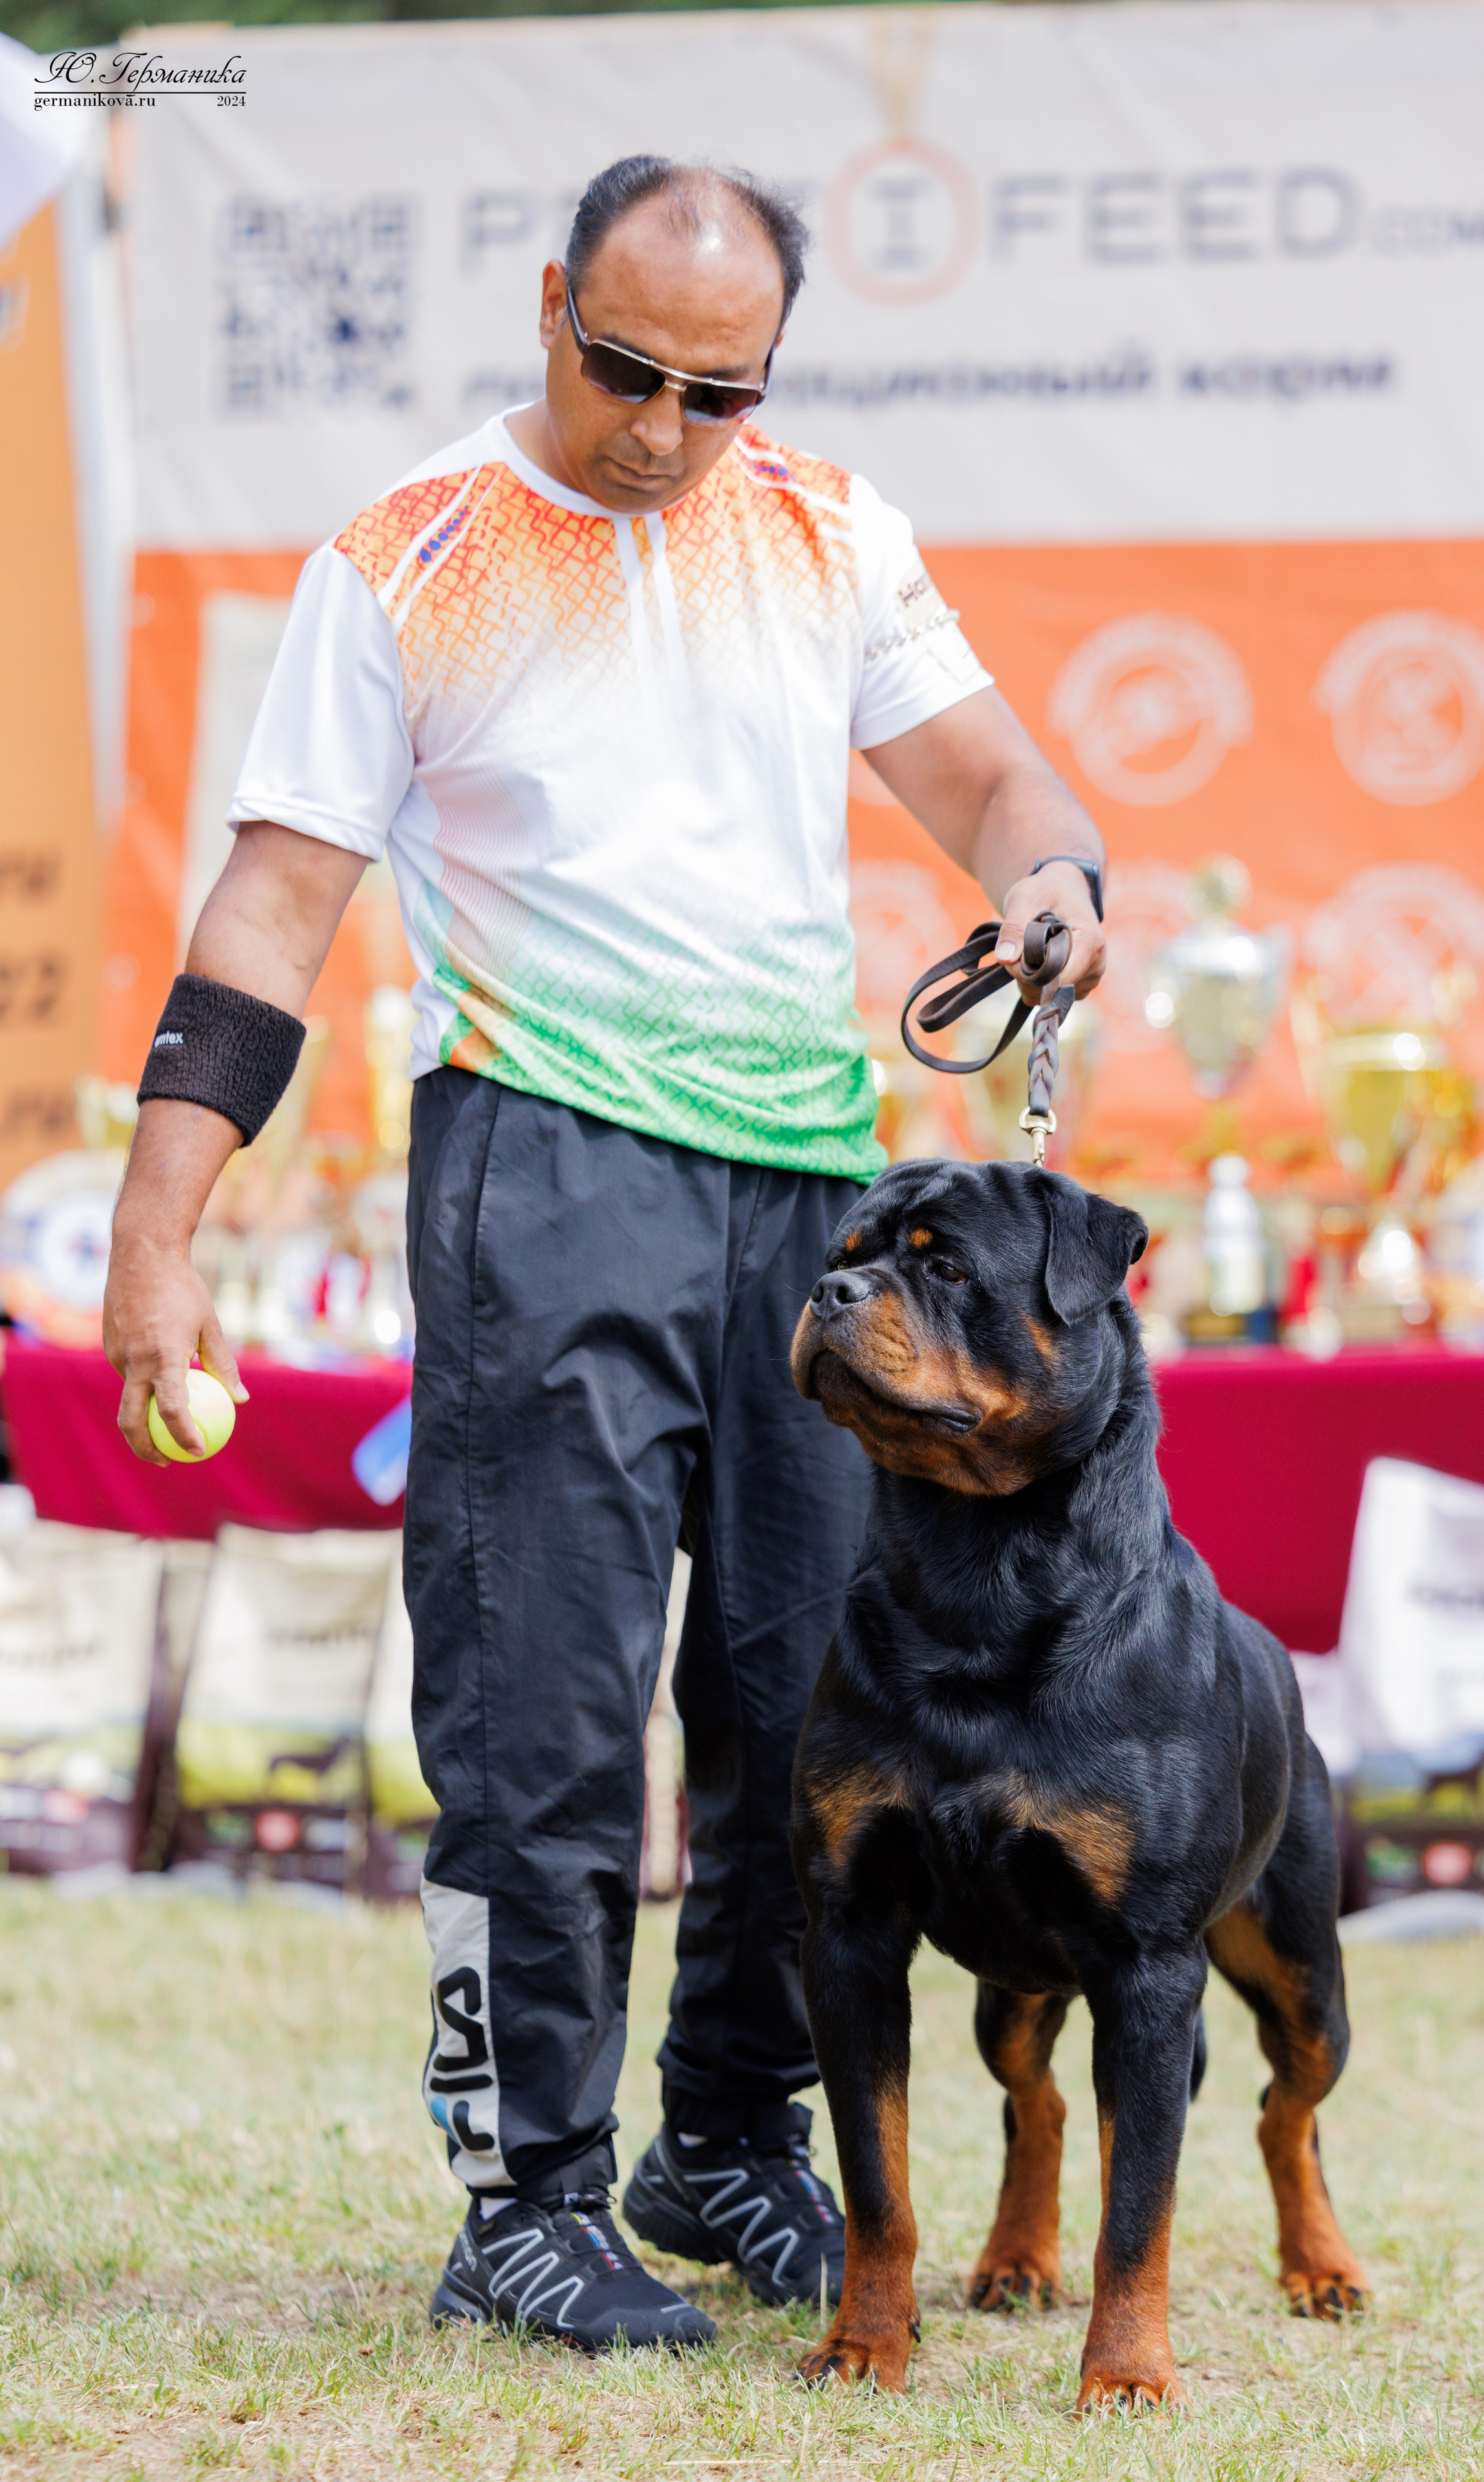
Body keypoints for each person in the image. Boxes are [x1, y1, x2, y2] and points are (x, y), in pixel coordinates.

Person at [103, 155, 1108, 2355]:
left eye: (714, 391)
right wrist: (154, 1240)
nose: (659, 425)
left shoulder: (835, 530)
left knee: (799, 1703)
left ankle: (727, 2141)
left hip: (807, 1200)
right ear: (550, 303)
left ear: (771, 377)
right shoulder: (401, 561)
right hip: (542, 1165)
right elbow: (271, 915)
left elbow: (1000, 785)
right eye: (621, 366)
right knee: (542, 1713)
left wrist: (1057, 882)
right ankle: (520, 2197)